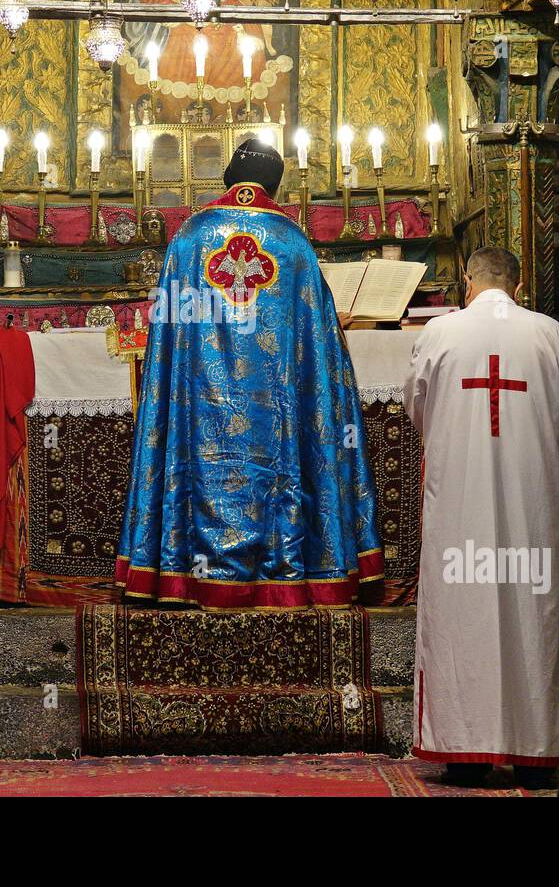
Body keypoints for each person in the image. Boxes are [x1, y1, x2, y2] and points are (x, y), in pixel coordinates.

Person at [117, 140, 382, 607]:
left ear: (227, 179)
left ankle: (182, 572)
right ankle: (287, 571)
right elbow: (321, 351)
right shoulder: (293, 245)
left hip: (200, 412)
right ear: (275, 186)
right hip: (275, 416)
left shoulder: (189, 238)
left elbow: (166, 340)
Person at [402, 247, 559, 789]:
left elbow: (417, 409)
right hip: (532, 496)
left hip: (461, 497)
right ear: (518, 286)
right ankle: (534, 750)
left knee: (463, 613)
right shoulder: (550, 334)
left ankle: (465, 753)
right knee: (533, 612)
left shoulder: (441, 334)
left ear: (467, 282)